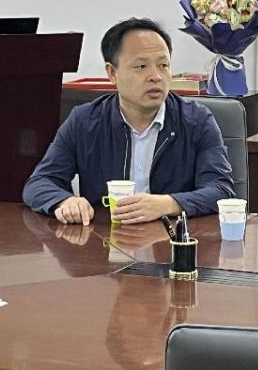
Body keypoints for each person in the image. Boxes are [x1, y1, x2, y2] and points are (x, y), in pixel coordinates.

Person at [23, 18, 234, 225]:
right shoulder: (85, 121)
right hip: (105, 239)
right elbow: (39, 183)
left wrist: (168, 204)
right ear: (112, 73)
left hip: (172, 238)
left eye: (163, 65)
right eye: (141, 66)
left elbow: (220, 189)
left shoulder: (197, 121)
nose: (156, 76)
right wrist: (65, 201)